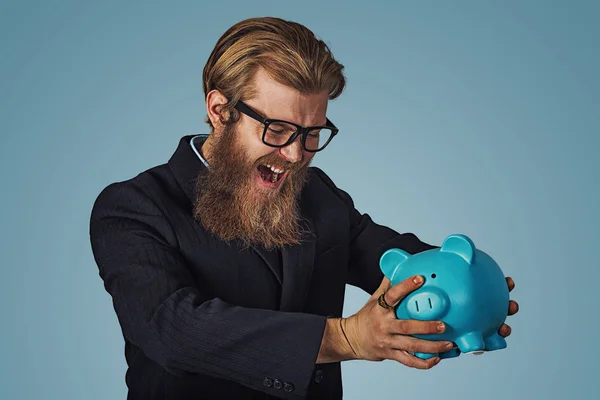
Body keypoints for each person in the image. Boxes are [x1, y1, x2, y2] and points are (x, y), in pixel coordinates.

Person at [89, 16, 519, 400]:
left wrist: (466, 290)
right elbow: (173, 331)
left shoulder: (316, 193)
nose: (296, 155)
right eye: (278, 129)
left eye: (313, 133)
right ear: (220, 111)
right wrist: (346, 338)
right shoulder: (133, 208)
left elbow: (390, 260)